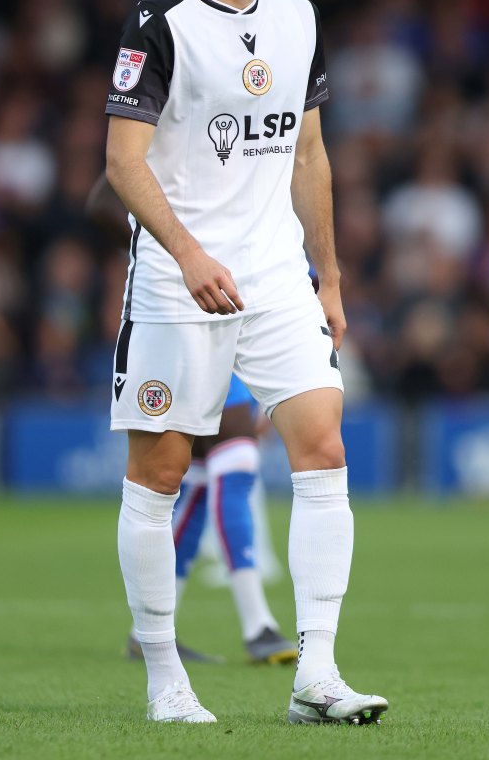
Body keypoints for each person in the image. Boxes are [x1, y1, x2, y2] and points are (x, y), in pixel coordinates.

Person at [104, 0, 389, 725]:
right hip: (174, 279)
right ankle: (164, 681)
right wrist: (188, 255)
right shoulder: (158, 23)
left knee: (323, 449)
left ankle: (317, 674)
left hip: (274, 276)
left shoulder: (299, 20)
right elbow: (121, 163)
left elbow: (307, 155)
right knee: (159, 473)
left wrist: (329, 276)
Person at [86, 178, 296, 664]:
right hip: (193, 324)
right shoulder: (189, 147)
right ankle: (258, 626)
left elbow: (100, 200)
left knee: (201, 485)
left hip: (225, 322)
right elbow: (104, 194)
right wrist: (167, 249)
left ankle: (150, 631)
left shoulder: (239, 161)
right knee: (227, 471)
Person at [126, 372, 297, 665]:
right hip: (210, 352)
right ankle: (258, 627)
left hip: (192, 356)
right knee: (234, 472)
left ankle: (148, 631)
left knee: (197, 493)